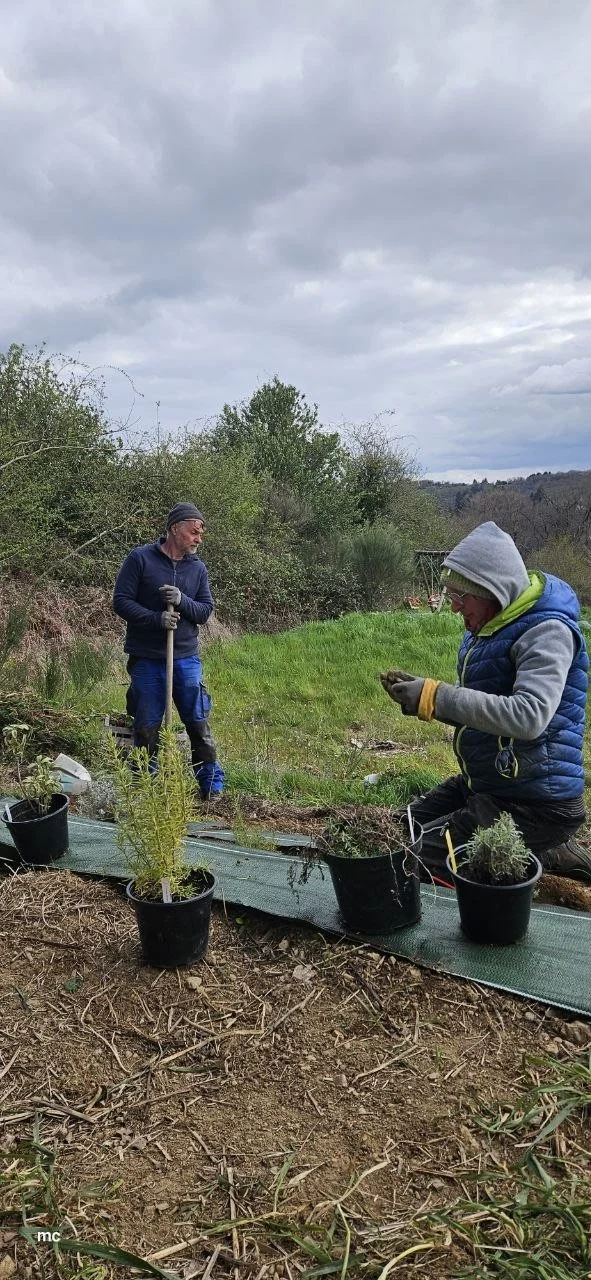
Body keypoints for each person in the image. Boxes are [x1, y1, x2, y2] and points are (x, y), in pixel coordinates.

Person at [380, 521, 590, 882]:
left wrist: (437, 696)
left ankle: (545, 847)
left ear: (492, 590)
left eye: (460, 597)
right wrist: (423, 698)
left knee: (411, 861)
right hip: (490, 785)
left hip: (535, 803)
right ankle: (542, 849)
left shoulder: (547, 631)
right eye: (450, 595)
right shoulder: (491, 626)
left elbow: (529, 717)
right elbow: (486, 711)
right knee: (398, 828)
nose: (454, 607)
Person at [112, 502, 224, 800]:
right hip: (147, 658)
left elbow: (205, 611)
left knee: (198, 723)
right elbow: (121, 601)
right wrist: (156, 618)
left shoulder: (197, 568)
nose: (199, 538)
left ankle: (210, 786)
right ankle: (145, 786)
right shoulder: (140, 559)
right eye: (194, 532)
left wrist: (182, 600)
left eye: (201, 533)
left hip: (185, 658)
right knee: (146, 726)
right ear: (175, 528)